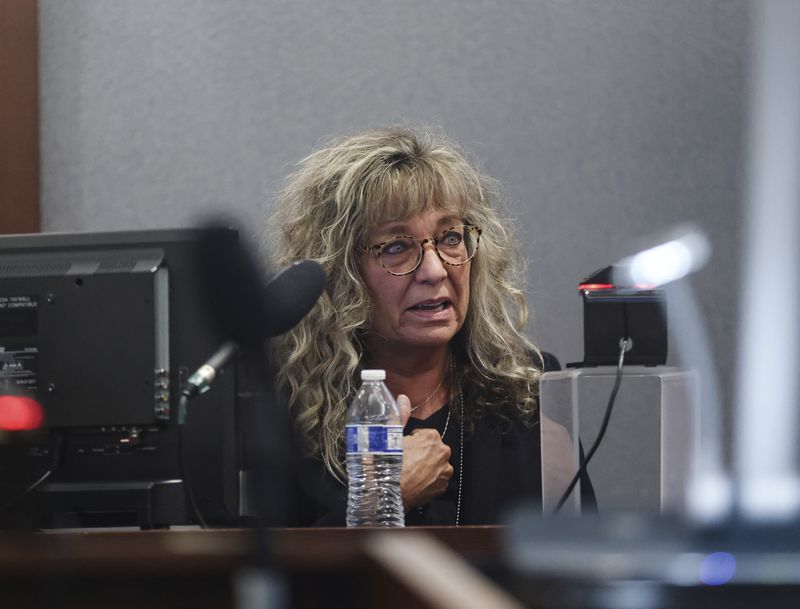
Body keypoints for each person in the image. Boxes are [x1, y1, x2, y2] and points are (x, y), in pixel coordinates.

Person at [269, 125, 576, 526]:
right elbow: (272, 577)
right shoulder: (288, 408)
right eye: (396, 247)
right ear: (342, 273)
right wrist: (385, 496)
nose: (435, 270)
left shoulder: (529, 393)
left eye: (450, 237)